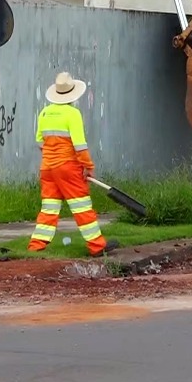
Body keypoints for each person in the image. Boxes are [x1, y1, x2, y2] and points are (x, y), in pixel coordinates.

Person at [28, 71, 118, 256]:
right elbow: (80, 145)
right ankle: (97, 246)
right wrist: (88, 167)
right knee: (82, 206)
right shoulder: (73, 114)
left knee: (49, 208)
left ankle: (36, 247)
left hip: (47, 168)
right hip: (68, 168)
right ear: (72, 94)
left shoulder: (44, 112)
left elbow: (39, 142)